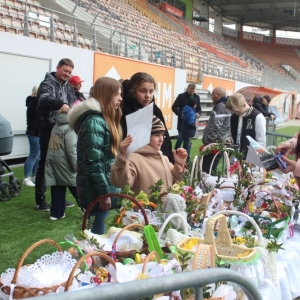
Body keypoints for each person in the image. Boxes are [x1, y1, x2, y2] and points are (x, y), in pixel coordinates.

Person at [68, 77, 122, 234]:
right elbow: (93, 162)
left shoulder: (101, 120)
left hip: (99, 188)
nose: (120, 98)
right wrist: (103, 194)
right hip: (95, 192)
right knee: (95, 234)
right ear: (106, 95)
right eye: (117, 94)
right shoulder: (94, 122)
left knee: (98, 230)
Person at [35, 58, 76, 211]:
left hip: (65, 130)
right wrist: (61, 104)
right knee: (45, 163)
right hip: (48, 130)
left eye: (70, 72)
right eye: (65, 71)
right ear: (57, 68)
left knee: (61, 164)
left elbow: (74, 104)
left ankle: (58, 200)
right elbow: (44, 99)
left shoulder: (70, 87)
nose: (67, 74)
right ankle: (40, 199)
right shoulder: (47, 83)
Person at [110, 116, 187, 196]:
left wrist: (179, 164)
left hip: (167, 208)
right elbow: (121, 182)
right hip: (144, 208)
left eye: (162, 135)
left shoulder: (164, 159)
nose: (161, 139)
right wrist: (122, 159)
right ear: (144, 137)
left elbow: (177, 184)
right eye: (157, 135)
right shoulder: (133, 158)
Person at [121, 72, 173, 163]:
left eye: (151, 91)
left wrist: (169, 161)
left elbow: (166, 139)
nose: (148, 96)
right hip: (136, 165)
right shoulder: (124, 112)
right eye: (143, 91)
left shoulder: (155, 110)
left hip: (160, 162)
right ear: (133, 91)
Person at [45, 108, 78, 220]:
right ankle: (89, 209)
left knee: (57, 185)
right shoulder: (70, 128)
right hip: (65, 162)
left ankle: (56, 213)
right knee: (76, 185)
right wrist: (75, 165)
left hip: (53, 160)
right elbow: (71, 149)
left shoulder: (56, 126)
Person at [225, 93, 266, 159]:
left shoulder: (258, 117)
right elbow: (231, 135)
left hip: (251, 161)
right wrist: (229, 140)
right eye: (234, 111)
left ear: (244, 105)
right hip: (234, 158)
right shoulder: (233, 116)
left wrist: (253, 160)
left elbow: (261, 142)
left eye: (237, 111)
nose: (236, 113)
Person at [202, 87, 231, 174]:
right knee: (212, 168)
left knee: (206, 170)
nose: (211, 99)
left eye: (212, 97)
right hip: (220, 142)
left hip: (214, 144)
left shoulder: (220, 106)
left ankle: (206, 186)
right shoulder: (227, 106)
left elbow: (216, 125)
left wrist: (210, 141)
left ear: (215, 95)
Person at [172, 83, 201, 150]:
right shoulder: (181, 96)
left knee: (187, 141)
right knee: (180, 138)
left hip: (190, 122)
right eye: (190, 91)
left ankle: (186, 157)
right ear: (187, 89)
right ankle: (175, 153)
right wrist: (181, 114)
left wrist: (198, 114)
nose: (192, 93)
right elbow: (174, 107)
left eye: (193, 91)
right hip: (182, 122)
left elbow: (199, 108)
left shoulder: (197, 97)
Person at [23, 85, 40, 187]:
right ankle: (26, 178)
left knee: (38, 156)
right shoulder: (34, 103)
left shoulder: (33, 102)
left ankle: (35, 176)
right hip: (34, 133)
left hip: (37, 132)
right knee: (34, 155)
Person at [181, 98, 197, 162]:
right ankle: (186, 159)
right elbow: (190, 123)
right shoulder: (191, 112)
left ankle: (184, 158)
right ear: (194, 105)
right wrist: (195, 125)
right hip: (188, 131)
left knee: (186, 144)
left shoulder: (185, 109)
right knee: (188, 145)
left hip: (184, 130)